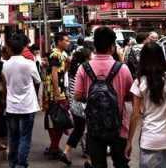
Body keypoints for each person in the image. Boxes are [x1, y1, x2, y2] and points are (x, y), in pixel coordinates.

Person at [74, 26, 134, 168]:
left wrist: (91, 98)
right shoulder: (123, 69)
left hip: (94, 127)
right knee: (121, 164)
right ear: (112, 47)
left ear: (95, 46)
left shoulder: (84, 68)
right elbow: (130, 96)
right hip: (119, 127)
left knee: (98, 164)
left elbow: (77, 95)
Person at [126, 42, 166, 168]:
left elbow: (135, 115)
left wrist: (129, 141)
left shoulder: (139, 82)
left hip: (150, 139)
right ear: (162, 57)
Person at [2, 33, 41, 168]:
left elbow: (6, 82)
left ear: (11, 48)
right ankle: (21, 164)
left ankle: (12, 163)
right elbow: (38, 80)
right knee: (25, 136)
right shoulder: (29, 64)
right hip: (27, 105)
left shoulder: (5, 65)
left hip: (12, 106)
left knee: (13, 137)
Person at [62, 47, 92, 167]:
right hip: (84, 103)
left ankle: (66, 152)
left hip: (74, 104)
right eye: (90, 55)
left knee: (78, 130)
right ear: (86, 57)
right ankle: (89, 160)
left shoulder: (72, 68)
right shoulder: (85, 69)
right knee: (90, 131)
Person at [44, 32, 71, 160]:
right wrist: (55, 93)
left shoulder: (63, 54)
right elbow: (54, 75)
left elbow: (63, 71)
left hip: (61, 89)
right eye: (66, 40)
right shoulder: (55, 54)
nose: (68, 42)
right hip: (54, 91)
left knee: (59, 119)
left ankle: (54, 146)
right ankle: (54, 146)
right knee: (54, 119)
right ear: (59, 41)